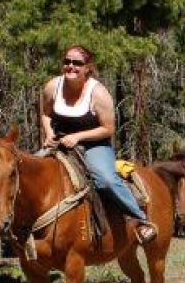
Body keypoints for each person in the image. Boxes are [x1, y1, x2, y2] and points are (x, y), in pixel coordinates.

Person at [40, 45, 157, 244]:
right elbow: (45, 113)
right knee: (29, 171)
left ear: (88, 68)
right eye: (67, 62)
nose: (70, 66)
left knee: (105, 179)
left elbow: (108, 129)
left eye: (77, 63)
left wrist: (78, 137)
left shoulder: (99, 94)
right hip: (60, 142)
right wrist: (49, 133)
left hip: (95, 145)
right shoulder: (53, 86)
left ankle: (140, 220)